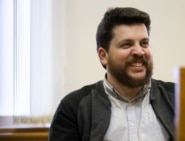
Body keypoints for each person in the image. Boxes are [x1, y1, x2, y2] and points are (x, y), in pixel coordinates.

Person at [48, 7, 175, 141]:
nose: (139, 51)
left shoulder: (179, 98)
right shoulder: (73, 107)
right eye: (126, 45)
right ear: (103, 56)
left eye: (144, 43)